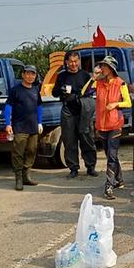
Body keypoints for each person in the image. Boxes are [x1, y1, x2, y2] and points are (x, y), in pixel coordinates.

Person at [51, 50, 97, 178]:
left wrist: (78, 96)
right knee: (69, 141)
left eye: (76, 61)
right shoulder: (62, 76)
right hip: (68, 111)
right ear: (66, 62)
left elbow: (91, 91)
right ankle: (73, 168)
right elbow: (54, 93)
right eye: (71, 61)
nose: (73, 64)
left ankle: (91, 166)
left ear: (79, 62)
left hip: (84, 112)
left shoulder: (85, 75)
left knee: (87, 139)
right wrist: (61, 90)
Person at [94, 55, 131, 200]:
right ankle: (120, 179)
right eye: (101, 66)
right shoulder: (98, 83)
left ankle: (109, 185)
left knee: (111, 155)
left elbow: (128, 102)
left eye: (104, 66)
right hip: (102, 124)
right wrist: (93, 77)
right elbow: (84, 92)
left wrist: (116, 104)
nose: (101, 68)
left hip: (115, 123)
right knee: (110, 153)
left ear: (111, 69)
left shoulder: (120, 83)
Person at [3, 64, 44, 191]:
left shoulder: (36, 89)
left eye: (33, 74)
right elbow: (8, 107)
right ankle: (18, 178)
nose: (30, 76)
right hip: (20, 126)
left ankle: (26, 175)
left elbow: (39, 106)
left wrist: (40, 122)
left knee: (32, 151)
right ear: (23, 75)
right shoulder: (15, 90)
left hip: (33, 126)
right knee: (18, 153)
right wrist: (8, 123)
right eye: (27, 73)